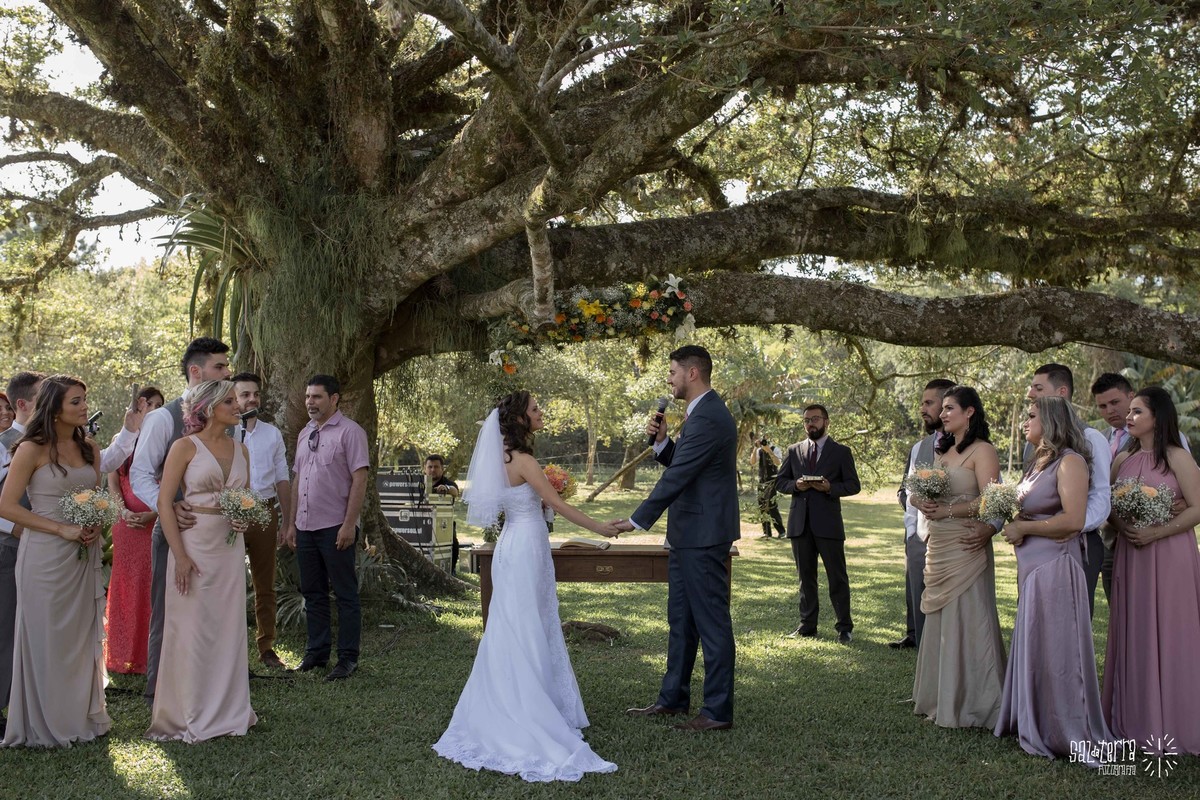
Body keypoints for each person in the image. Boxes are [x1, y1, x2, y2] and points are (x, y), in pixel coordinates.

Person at [433, 391, 619, 781]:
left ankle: (516, 700)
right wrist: (601, 527)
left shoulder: (502, 461)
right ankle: (529, 711)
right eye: (535, 409)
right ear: (519, 419)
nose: (541, 413)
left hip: (512, 546)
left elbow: (532, 503)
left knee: (516, 624)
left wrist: (546, 501)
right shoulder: (524, 461)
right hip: (525, 549)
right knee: (527, 625)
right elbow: (558, 505)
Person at [611, 345, 739, 732]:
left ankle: (716, 712)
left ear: (693, 373)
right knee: (680, 621)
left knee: (712, 624)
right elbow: (685, 463)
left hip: (703, 536)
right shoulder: (698, 414)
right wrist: (663, 443)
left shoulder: (711, 416)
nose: (668, 379)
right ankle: (672, 700)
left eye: (672, 372)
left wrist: (637, 520)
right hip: (687, 535)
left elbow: (678, 477)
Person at [994, 397, 1113, 764]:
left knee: (1058, 651)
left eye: (1031, 416)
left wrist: (1023, 527)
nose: (1024, 422)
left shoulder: (1071, 462)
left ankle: (1065, 728)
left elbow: (1074, 520)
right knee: (1037, 644)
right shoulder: (1037, 464)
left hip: (1056, 567)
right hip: (1032, 567)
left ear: (1051, 420)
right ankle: (1034, 718)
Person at [0, 376, 110, 747]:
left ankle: (78, 715)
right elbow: (6, 506)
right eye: (76, 402)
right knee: (46, 636)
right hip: (44, 557)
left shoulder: (91, 448)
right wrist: (58, 530)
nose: (84, 407)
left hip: (82, 554)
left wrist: (94, 523)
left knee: (78, 637)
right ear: (55, 408)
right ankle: (43, 723)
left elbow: (96, 497)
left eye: (84, 399)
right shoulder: (30, 449)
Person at [146, 380, 258, 743]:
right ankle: (188, 713)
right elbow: (165, 502)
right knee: (192, 629)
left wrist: (244, 517)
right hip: (193, 545)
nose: (237, 405)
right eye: (229, 400)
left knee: (227, 628)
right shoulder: (184, 447)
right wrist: (179, 556)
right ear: (208, 407)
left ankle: (229, 711)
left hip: (229, 547)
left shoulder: (242, 450)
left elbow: (245, 498)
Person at [131, 337, 231, 704]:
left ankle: (209, 688)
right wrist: (167, 507)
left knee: (211, 613)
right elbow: (141, 473)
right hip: (174, 532)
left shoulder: (227, 416)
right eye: (219, 367)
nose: (227, 372)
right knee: (168, 609)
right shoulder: (162, 418)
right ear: (195, 371)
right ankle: (158, 689)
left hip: (217, 539)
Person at [1102, 386, 1200, 755]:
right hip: (1133, 553)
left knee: (1173, 630)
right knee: (1136, 628)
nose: (1129, 417)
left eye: (1137, 412)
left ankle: (1177, 721)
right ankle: (1134, 717)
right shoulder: (1122, 459)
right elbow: (1107, 502)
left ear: (1158, 417)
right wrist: (1123, 524)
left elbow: (1198, 507)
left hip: (1171, 554)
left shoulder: (1176, 457)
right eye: (1131, 412)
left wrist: (1157, 530)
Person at [911, 385, 1006, 729]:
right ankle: (940, 696)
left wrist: (950, 510)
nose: (944, 413)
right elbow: (927, 492)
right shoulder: (943, 452)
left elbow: (991, 500)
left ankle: (977, 702)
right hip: (940, 544)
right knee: (941, 619)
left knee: (970, 614)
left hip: (967, 542)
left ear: (970, 413)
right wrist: (920, 501)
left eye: (951, 408)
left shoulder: (984, 451)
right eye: (944, 408)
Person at [282, 375, 369, 681]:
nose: (310, 402)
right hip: (305, 527)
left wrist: (349, 525)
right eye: (308, 396)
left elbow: (360, 479)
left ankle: (347, 659)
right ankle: (316, 654)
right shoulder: (305, 432)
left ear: (334, 399)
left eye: (317, 397)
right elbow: (297, 479)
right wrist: (291, 523)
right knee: (313, 593)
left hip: (335, 527)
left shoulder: (351, 432)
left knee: (345, 594)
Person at [1090, 372, 1190, 600]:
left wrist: (1183, 502)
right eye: (1102, 406)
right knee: (1123, 604)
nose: (1110, 411)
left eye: (1115, 402)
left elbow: (1190, 488)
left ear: (1131, 396)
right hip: (1114, 540)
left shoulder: (1174, 447)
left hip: (1164, 542)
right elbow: (1104, 494)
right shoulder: (1100, 440)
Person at [1025, 364, 1110, 617]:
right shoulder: (1033, 441)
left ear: (1061, 392)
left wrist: (1068, 526)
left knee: (1071, 618)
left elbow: (1101, 497)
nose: (1031, 394)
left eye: (1038, 388)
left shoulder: (1091, 438)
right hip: (1037, 546)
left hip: (1077, 544)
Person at [776, 404, 861, 643]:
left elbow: (854, 485)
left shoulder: (841, 452)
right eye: (806, 420)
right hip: (800, 524)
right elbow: (781, 482)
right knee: (806, 578)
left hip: (829, 524)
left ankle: (844, 627)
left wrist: (830, 488)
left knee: (837, 578)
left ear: (826, 421)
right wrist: (796, 485)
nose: (810, 424)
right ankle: (807, 626)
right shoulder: (794, 450)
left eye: (814, 419)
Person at [104, 386, 165, 675]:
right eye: (147, 403)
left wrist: (154, 513)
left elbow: (172, 484)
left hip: (156, 518)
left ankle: (148, 654)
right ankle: (122, 653)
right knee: (126, 584)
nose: (151, 409)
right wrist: (123, 511)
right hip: (125, 523)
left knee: (151, 583)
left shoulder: (167, 440)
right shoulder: (121, 441)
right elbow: (113, 483)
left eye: (157, 405)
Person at [232, 372, 291, 670]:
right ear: (233, 397)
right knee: (227, 583)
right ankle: (228, 648)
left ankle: (266, 646)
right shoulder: (225, 433)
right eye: (245, 394)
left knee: (265, 584)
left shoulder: (272, 434)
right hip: (230, 515)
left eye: (255, 393)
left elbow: (283, 478)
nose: (251, 399)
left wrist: (286, 521)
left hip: (266, 511)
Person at [893, 378, 955, 649]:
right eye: (922, 403)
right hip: (920, 536)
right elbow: (907, 492)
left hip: (957, 537)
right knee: (917, 591)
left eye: (929, 402)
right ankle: (919, 642)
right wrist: (911, 535)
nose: (922, 409)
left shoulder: (975, 444)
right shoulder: (919, 448)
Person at [424, 454, 461, 573]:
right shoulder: (420, 483)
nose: (432, 470)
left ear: (442, 469)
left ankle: (452, 570)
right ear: (425, 468)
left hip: (443, 525)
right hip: (422, 524)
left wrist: (446, 488)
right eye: (430, 467)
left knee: (452, 541)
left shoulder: (447, 483)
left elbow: (455, 491)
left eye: (436, 467)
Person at [749, 434, 785, 538]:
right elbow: (752, 462)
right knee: (762, 506)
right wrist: (756, 448)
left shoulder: (775, 449)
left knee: (772, 506)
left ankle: (781, 532)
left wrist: (769, 450)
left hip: (772, 481)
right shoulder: (759, 451)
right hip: (761, 481)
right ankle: (766, 532)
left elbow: (778, 463)